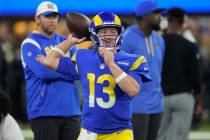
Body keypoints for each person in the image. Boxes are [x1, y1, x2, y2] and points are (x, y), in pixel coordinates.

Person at [36, 12, 151, 140]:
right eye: (103, 32)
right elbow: (49, 61)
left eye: (112, 31)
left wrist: (111, 64)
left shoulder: (134, 60)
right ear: (94, 34)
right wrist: (69, 42)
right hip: (88, 132)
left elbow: (133, 90)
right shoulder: (84, 56)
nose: (108, 36)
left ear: (119, 33)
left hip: (119, 132)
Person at [20, 1, 81, 140]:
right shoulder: (30, 43)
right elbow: (43, 72)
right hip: (44, 112)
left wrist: (51, 63)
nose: (52, 20)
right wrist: (68, 68)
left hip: (71, 111)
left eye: (55, 16)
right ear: (37, 19)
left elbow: (79, 70)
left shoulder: (67, 42)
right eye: (47, 16)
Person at [120, 0, 165, 140]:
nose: (160, 17)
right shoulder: (127, 38)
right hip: (136, 104)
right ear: (145, 16)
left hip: (157, 103)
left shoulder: (160, 40)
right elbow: (119, 70)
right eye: (156, 13)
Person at [157, 8, 202, 140]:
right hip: (183, 96)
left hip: (160, 97)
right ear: (183, 22)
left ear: (168, 21)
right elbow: (195, 76)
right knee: (178, 137)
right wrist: (198, 102)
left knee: (160, 135)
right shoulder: (189, 45)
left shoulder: (158, 43)